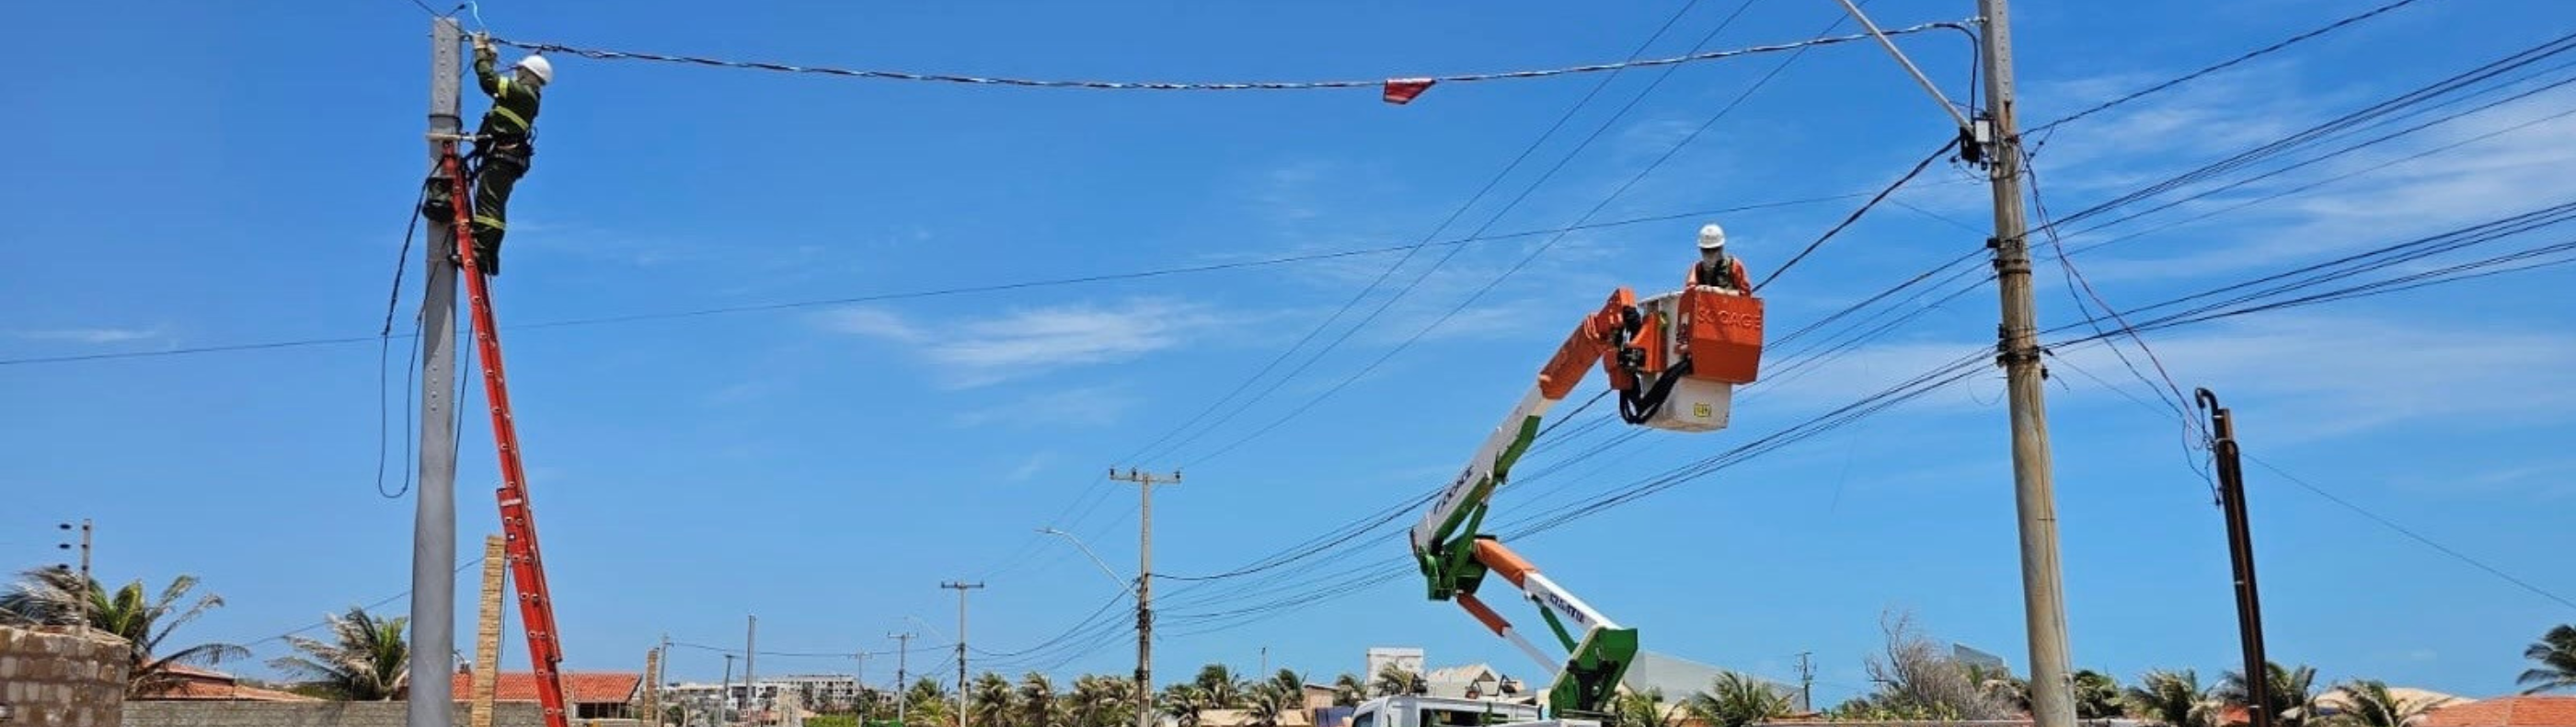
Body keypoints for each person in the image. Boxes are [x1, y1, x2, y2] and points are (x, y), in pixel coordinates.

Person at [464, 32, 549, 276]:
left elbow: (488, 81)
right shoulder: (524, 96)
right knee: (493, 205)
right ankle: (488, 256)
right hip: (507, 157)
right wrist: (490, 59)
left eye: (519, 69)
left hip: (504, 157)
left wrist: (480, 52)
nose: (515, 72)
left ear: (528, 74)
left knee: (488, 204)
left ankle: (480, 250)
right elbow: (496, 88)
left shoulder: (523, 93)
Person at [1687, 223, 1750, 293]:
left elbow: (1745, 294)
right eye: (1706, 250)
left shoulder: (1733, 265)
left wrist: (1723, 292)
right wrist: (1699, 289)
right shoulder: (1697, 268)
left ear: (1721, 248)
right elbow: (1689, 293)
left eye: (1714, 249)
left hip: (1728, 303)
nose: (1710, 254)